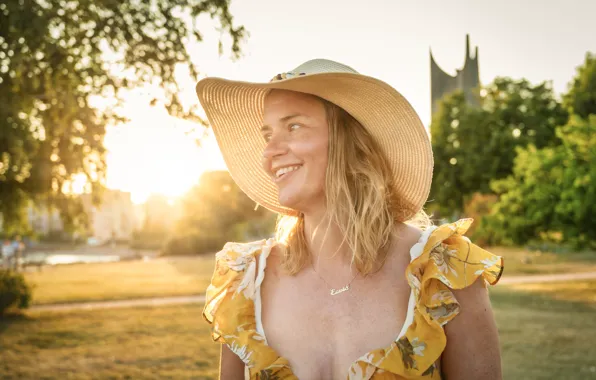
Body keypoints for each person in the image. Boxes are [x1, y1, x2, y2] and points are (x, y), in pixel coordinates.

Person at [196, 59, 504, 379]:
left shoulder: (445, 273)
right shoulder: (244, 283)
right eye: (267, 134)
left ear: (351, 140)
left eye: (293, 126)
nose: (269, 152)